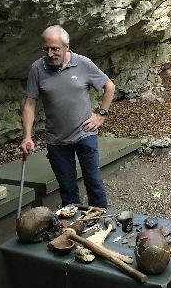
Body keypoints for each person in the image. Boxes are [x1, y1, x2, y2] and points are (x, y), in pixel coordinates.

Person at [20, 25, 115, 209]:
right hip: (56, 141)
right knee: (68, 189)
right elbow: (30, 103)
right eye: (46, 48)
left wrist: (101, 115)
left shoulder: (83, 63)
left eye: (55, 49)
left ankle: (102, 224)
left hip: (85, 134)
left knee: (94, 184)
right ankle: (73, 229)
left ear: (66, 47)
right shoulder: (37, 69)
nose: (49, 53)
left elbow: (109, 86)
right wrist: (27, 136)